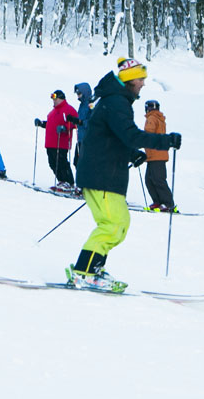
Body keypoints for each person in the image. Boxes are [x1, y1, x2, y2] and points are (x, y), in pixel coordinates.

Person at [69, 58, 182, 292]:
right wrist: (165, 141)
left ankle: (91, 269)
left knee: (117, 224)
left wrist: (131, 154)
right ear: (130, 80)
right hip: (101, 175)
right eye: (140, 79)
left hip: (104, 173)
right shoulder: (116, 102)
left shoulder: (116, 101)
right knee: (112, 224)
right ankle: (84, 272)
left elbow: (110, 136)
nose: (142, 83)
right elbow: (129, 134)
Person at [35, 89, 79, 191]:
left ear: (61, 98)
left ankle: (69, 182)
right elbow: (50, 124)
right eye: (53, 99)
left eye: (56, 99)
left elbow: (75, 122)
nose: (54, 101)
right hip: (50, 142)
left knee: (62, 162)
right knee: (52, 162)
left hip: (61, 142)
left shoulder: (69, 109)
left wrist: (65, 128)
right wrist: (41, 123)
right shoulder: (53, 112)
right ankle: (61, 181)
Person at [143, 99, 175, 211]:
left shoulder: (151, 118)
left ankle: (168, 203)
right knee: (150, 179)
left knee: (158, 179)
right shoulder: (159, 118)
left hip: (156, 154)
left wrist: (139, 140)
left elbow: (148, 133)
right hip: (154, 154)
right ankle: (158, 201)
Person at [72, 81, 93, 170]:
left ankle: (86, 183)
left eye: (79, 93)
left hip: (88, 139)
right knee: (77, 162)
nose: (78, 95)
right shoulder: (82, 105)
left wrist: (80, 122)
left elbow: (93, 122)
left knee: (84, 163)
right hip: (81, 138)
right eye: (77, 93)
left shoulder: (91, 104)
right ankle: (81, 182)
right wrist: (74, 121)